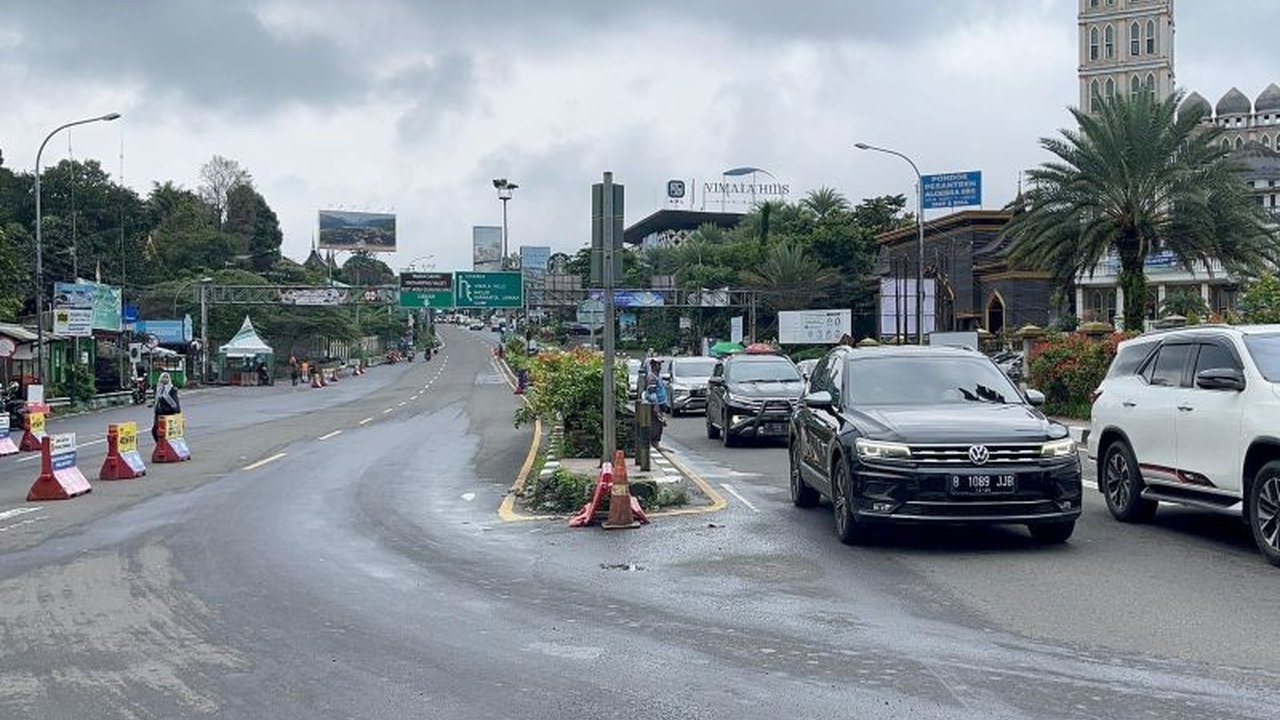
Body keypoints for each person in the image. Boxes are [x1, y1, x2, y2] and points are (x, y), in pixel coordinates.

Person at [643, 357, 670, 449]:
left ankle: (656, 442)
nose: (660, 366)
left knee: (659, 424)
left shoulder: (657, 376)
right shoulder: (652, 377)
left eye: (660, 364)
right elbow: (651, 391)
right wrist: (656, 404)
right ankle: (654, 443)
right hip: (656, 404)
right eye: (658, 364)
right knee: (656, 425)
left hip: (661, 403)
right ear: (653, 366)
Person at [151, 372, 180, 441]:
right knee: (155, 431)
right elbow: (157, 400)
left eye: (166, 377)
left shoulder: (172, 389)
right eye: (163, 377)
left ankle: (165, 446)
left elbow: (175, 403)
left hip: (168, 413)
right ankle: (159, 445)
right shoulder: (158, 389)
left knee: (166, 432)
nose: (165, 379)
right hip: (158, 414)